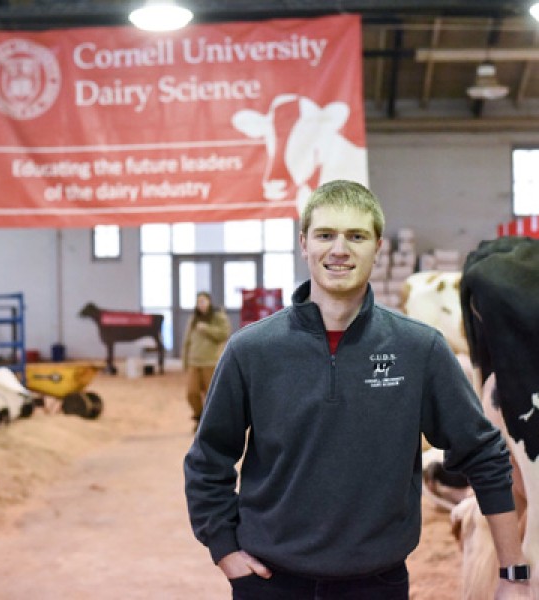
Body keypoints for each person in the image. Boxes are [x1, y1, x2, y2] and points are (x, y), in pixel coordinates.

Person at [184, 180, 531, 599]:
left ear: (377, 246)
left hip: (376, 585)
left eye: (356, 236)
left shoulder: (419, 348)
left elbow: (484, 456)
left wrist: (513, 572)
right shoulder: (251, 350)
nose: (340, 249)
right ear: (304, 244)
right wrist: (225, 550)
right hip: (269, 584)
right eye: (326, 234)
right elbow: (207, 460)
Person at [182, 291, 231, 431]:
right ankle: (199, 416)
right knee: (191, 393)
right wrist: (185, 361)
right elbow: (187, 342)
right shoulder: (193, 319)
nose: (201, 305)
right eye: (199, 302)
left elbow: (224, 334)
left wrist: (206, 329)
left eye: (203, 301)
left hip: (211, 362)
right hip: (194, 362)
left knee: (212, 395)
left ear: (209, 302)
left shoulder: (218, 317)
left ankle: (210, 423)